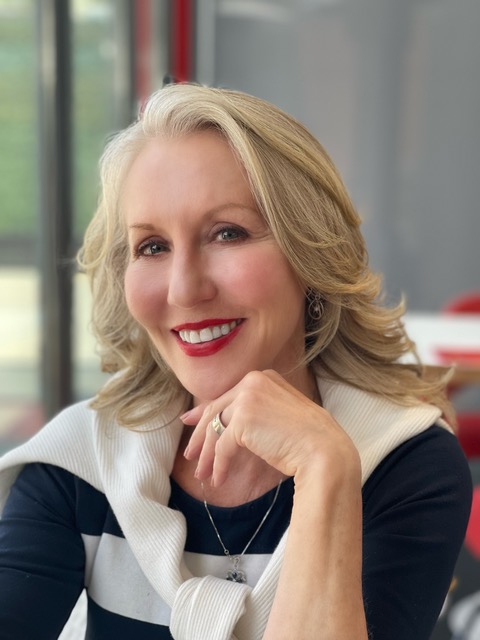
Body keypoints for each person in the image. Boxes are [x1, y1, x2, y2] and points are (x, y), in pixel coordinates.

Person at [0, 83, 472, 640]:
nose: (184, 288)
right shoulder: (81, 460)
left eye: (228, 233)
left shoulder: (404, 465)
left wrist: (324, 471)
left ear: (310, 256)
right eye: (152, 246)